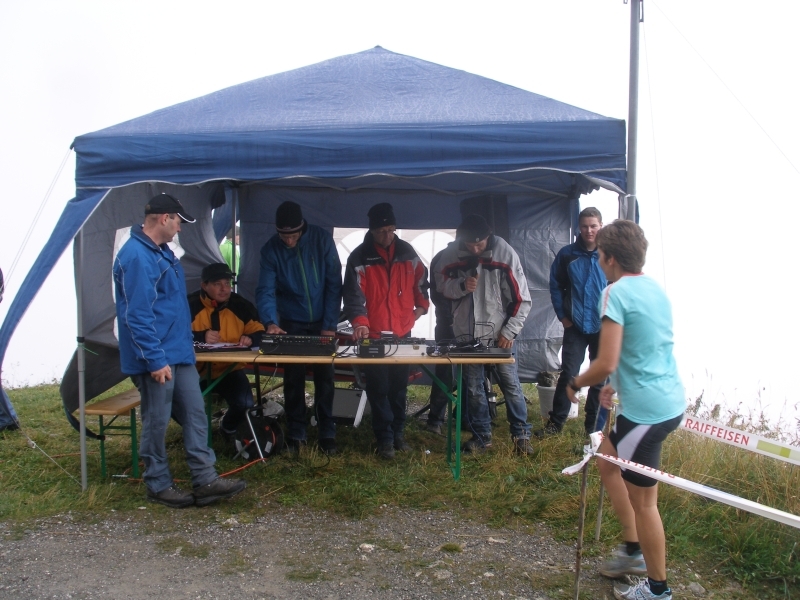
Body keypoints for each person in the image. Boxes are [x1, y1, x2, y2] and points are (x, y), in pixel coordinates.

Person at [566, 220, 684, 600]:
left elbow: (604, 360)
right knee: (606, 461)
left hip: (646, 415)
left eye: (600, 255)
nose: (599, 260)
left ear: (611, 259)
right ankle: (632, 549)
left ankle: (657, 589)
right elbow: (646, 345)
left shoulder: (614, 292)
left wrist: (575, 383)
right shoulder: (654, 289)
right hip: (666, 400)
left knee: (645, 503)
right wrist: (615, 384)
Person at [113, 193, 246, 509]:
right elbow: (137, 315)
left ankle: (205, 478)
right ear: (164, 218)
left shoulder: (162, 253)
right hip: (156, 358)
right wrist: (154, 359)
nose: (180, 228)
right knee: (156, 421)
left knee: (196, 413)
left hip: (180, 352)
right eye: (178, 221)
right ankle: (158, 484)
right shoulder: (136, 256)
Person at [435, 214, 534, 455]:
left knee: (510, 383)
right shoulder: (450, 254)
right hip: (466, 335)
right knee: (472, 387)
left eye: (479, 244)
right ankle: (481, 437)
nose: (475, 249)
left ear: (488, 237)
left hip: (500, 332)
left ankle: (521, 435)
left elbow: (522, 298)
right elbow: (439, 285)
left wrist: (509, 331)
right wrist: (461, 286)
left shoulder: (504, 252)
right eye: (470, 245)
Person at [343, 202, 429, 459]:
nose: (388, 235)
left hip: (402, 333)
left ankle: (398, 433)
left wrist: (421, 308)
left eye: (391, 230)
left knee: (399, 387)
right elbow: (353, 296)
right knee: (378, 388)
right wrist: (360, 323)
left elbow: (421, 283)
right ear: (372, 231)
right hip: (374, 335)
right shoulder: (359, 257)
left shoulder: (408, 252)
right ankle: (384, 440)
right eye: (382, 231)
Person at [256, 201, 342, 456]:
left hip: (322, 321)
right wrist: (270, 322)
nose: (289, 241)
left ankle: (327, 431)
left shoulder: (321, 240)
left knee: (325, 378)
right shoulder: (270, 250)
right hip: (290, 323)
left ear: (302, 229)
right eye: (284, 236)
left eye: (293, 236)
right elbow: (265, 289)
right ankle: (296, 432)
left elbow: (334, 283)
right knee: (293, 378)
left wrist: (329, 324)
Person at [543, 206, 608, 437]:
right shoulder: (567, 254)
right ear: (578, 228)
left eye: (593, 226)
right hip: (575, 326)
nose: (589, 231)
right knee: (569, 373)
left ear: (601, 226)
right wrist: (563, 317)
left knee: (599, 377)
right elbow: (555, 285)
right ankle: (555, 424)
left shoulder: (610, 254)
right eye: (584, 226)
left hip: (603, 327)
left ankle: (593, 429)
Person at [188, 262, 264, 438]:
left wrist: (250, 338)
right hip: (194, 370)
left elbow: (261, 332)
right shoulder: (188, 305)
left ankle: (228, 428)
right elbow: (172, 335)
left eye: (227, 283)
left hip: (228, 370)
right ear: (204, 285)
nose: (224, 289)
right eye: (217, 284)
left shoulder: (240, 305)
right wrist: (201, 336)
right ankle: (198, 434)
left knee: (245, 404)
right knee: (177, 404)